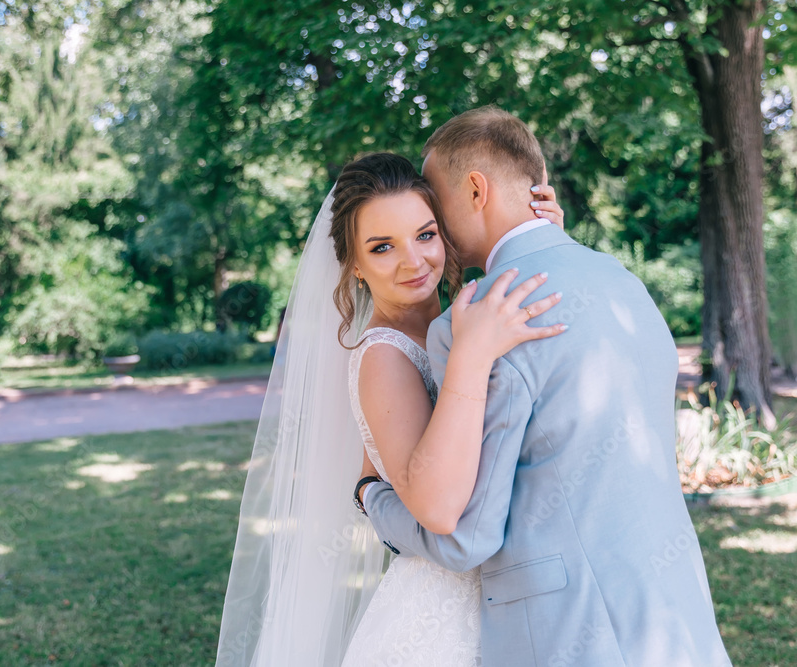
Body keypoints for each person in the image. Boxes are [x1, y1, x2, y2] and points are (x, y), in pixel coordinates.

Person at [359, 106, 732, 666]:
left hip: (572, 634)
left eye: (435, 203)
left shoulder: (476, 322)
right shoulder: (622, 283)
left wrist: (371, 497)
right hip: (675, 621)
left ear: (476, 190)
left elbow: (464, 535)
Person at [215, 150, 565, 665]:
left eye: (425, 235)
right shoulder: (383, 356)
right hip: (445, 613)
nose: (413, 261)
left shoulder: (463, 315)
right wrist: (472, 355)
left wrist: (538, 237)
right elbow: (440, 509)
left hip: (509, 589)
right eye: (382, 247)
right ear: (355, 264)